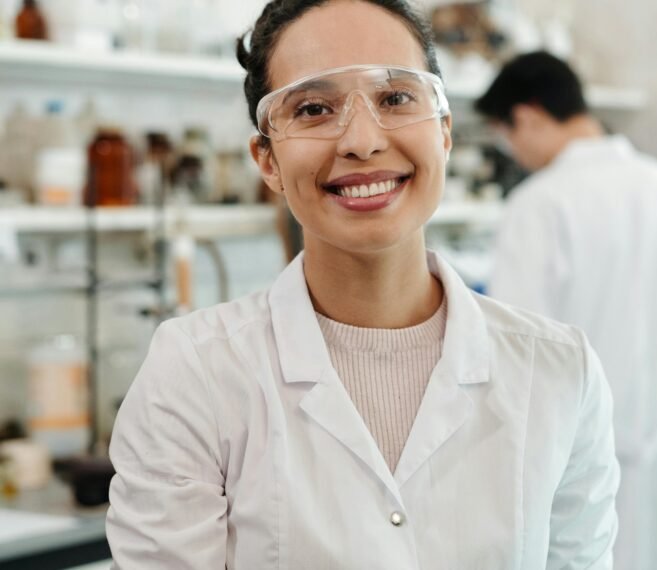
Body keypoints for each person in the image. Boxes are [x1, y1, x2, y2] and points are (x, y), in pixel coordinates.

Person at [105, 3, 620, 568]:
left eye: (396, 98)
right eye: (313, 108)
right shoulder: (193, 375)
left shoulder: (559, 370)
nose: (362, 140)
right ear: (268, 161)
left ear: (444, 133)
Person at [476, 51, 657, 570]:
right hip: (649, 436)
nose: (512, 150)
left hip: (568, 460)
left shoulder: (538, 203)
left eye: (506, 135)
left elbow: (513, 345)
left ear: (529, 116)